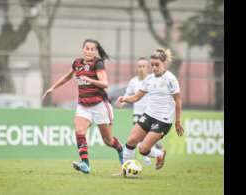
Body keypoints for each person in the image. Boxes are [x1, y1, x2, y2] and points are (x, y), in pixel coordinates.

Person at [42, 39, 124, 174]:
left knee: (108, 141)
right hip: (83, 105)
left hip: (100, 105)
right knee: (80, 132)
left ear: (95, 51)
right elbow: (68, 76)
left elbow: (105, 84)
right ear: (83, 49)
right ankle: (85, 164)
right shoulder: (77, 63)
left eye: (92, 49)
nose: (89, 51)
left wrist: (89, 79)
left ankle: (121, 151)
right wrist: (52, 88)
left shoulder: (98, 63)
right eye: (87, 48)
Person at [116, 48, 184, 170]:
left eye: (157, 65)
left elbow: (178, 101)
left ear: (164, 63)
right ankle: (125, 170)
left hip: (163, 120)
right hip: (148, 115)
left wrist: (177, 121)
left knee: (143, 149)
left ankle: (160, 154)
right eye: (152, 65)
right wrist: (124, 99)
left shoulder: (171, 79)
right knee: (131, 141)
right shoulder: (149, 79)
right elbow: (137, 97)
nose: (154, 68)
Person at [116, 57, 164, 166]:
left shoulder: (152, 80)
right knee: (136, 139)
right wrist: (123, 102)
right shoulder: (133, 81)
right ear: (137, 68)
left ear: (148, 68)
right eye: (139, 66)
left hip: (151, 114)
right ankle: (150, 155)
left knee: (144, 140)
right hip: (137, 114)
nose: (141, 68)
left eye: (144, 66)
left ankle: (155, 151)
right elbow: (128, 94)